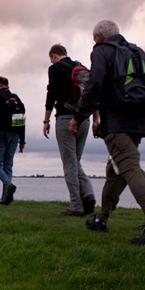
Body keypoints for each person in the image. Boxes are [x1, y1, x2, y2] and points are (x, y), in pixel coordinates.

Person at [68, 19, 145, 245]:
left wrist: (79, 117)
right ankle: (101, 218)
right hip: (140, 121)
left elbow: (94, 85)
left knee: (128, 166)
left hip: (116, 121)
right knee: (115, 170)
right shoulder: (140, 53)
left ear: (99, 37)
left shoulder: (102, 51)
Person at [43, 44, 96, 216]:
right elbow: (93, 93)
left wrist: (46, 119)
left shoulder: (55, 68)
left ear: (53, 55)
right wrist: (96, 118)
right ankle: (88, 195)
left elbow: (51, 94)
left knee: (69, 163)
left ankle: (76, 205)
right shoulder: (80, 68)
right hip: (84, 119)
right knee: (75, 160)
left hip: (66, 118)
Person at [0, 76, 26, 205]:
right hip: (15, 135)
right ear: (7, 85)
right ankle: (6, 198)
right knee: (8, 164)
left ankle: (8, 184)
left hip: (1, 133)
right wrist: (22, 141)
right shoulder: (17, 99)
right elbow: (22, 120)